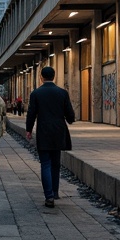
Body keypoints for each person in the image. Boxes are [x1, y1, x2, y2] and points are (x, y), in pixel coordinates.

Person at [25, 65, 75, 208]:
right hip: (59, 131)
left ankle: (49, 196)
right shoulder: (62, 93)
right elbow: (69, 114)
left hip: (44, 131)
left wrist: (29, 129)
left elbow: (31, 113)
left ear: (41, 77)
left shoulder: (36, 93)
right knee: (56, 163)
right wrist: (70, 120)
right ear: (54, 77)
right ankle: (55, 191)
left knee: (45, 164)